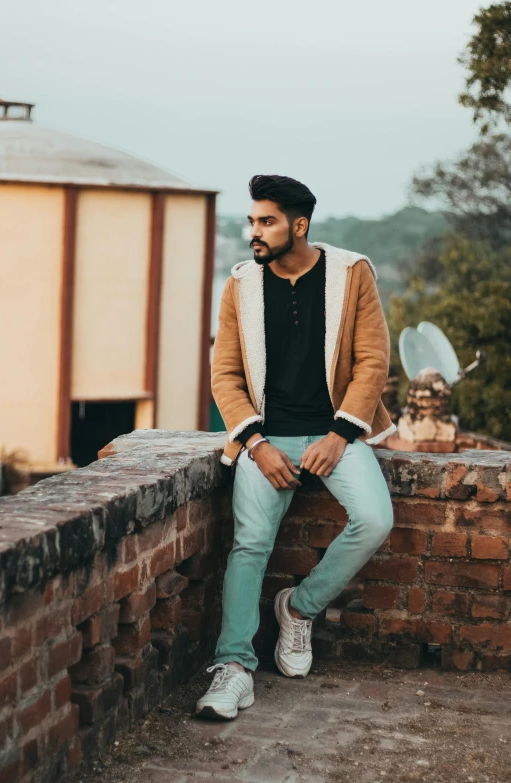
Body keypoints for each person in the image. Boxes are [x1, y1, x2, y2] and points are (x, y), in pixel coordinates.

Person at [196, 175, 396, 720]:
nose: (253, 232)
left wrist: (339, 436)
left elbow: (373, 361)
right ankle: (233, 668)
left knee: (375, 518)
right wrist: (255, 444)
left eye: (267, 221)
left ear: (299, 225)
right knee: (250, 545)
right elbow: (226, 375)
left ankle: (299, 608)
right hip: (267, 439)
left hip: (336, 432)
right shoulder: (240, 284)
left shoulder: (351, 274)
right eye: (252, 220)